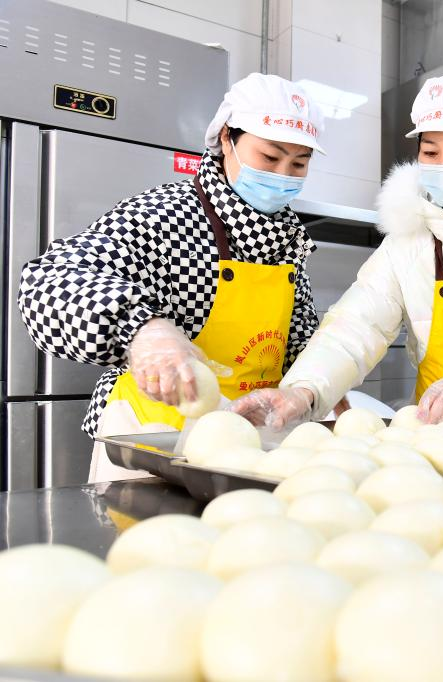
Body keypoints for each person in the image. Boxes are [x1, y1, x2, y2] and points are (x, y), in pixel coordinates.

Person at [231, 71, 443, 427]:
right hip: (440, 426)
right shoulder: (408, 236)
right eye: (430, 152)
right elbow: (358, 323)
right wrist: (303, 390)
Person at [18, 73, 325, 480]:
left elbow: (299, 338)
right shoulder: (163, 216)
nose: (283, 174)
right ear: (227, 139)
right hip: (151, 441)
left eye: (299, 163)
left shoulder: (287, 240)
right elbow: (49, 280)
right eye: (270, 158)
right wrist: (143, 330)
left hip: (252, 443)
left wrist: (315, 387)